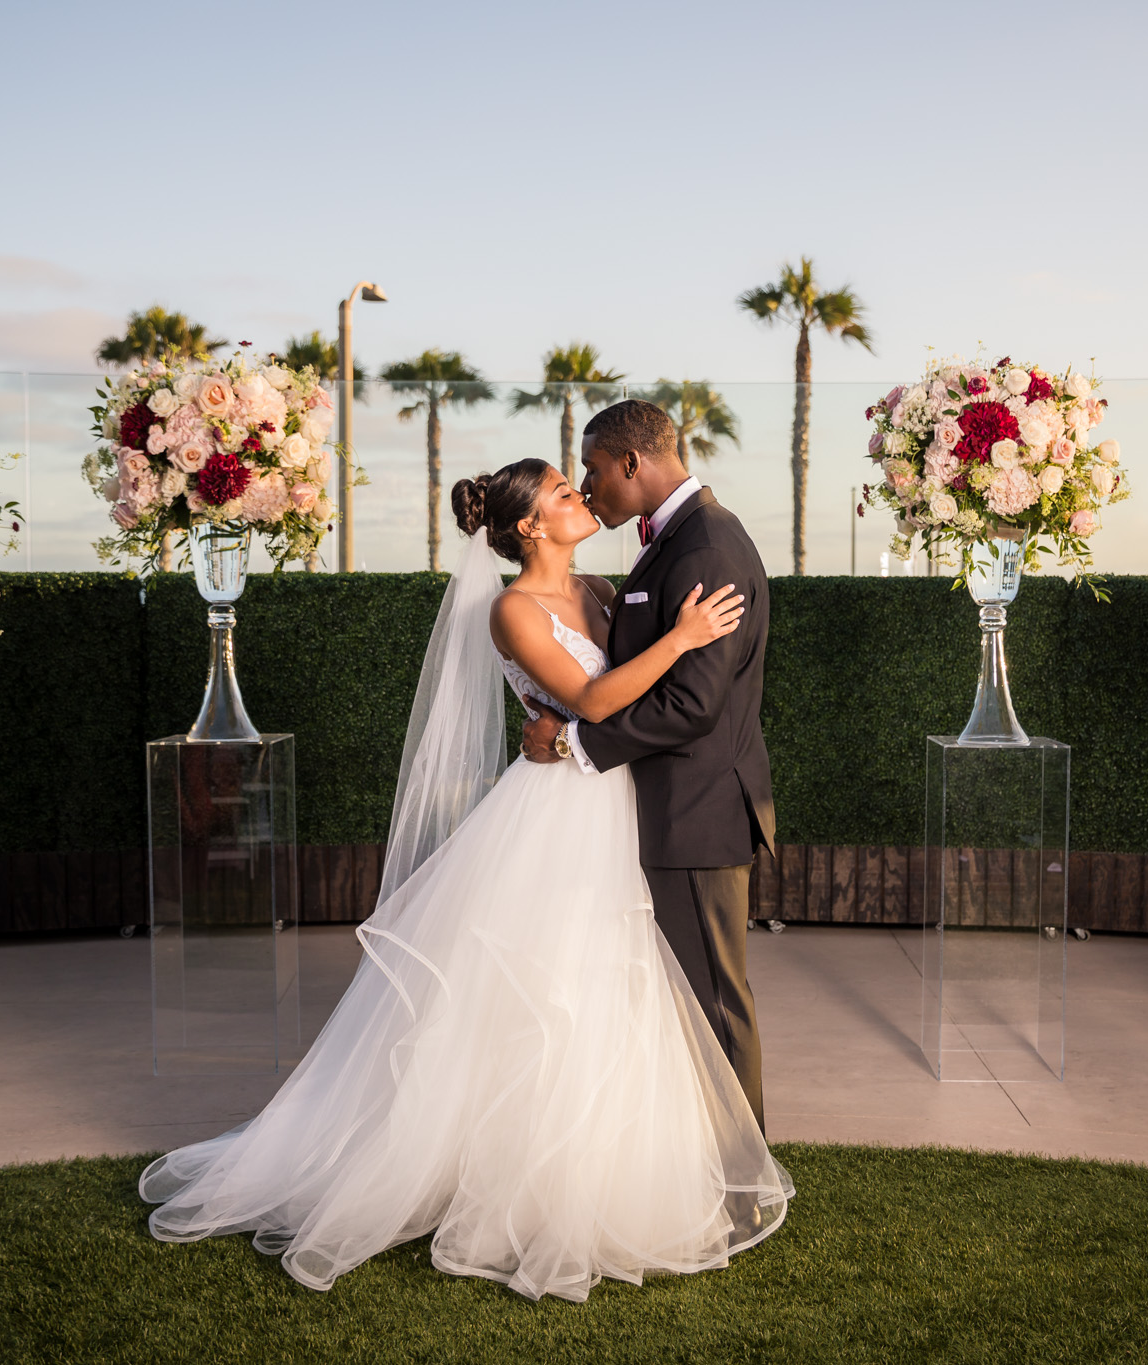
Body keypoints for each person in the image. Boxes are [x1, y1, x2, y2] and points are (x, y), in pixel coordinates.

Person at [139, 452, 791, 1304]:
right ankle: (508, 1176)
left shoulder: (600, 589)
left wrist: (592, 712)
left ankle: (626, 1159)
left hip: (610, 800)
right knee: (543, 989)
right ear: (528, 527)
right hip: (557, 814)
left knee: (613, 984)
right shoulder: (512, 611)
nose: (582, 495)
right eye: (565, 491)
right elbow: (596, 705)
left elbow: (617, 710)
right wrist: (680, 639)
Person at [521, 399, 778, 1133]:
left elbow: (692, 704)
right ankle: (708, 1164)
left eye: (595, 469)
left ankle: (741, 1182)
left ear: (633, 462)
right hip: (676, 811)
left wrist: (575, 744)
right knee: (690, 1002)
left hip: (696, 816)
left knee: (713, 1005)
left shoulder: (705, 547)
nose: (588, 485)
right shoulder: (679, 540)